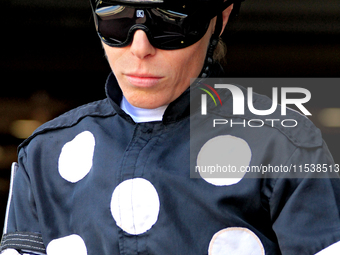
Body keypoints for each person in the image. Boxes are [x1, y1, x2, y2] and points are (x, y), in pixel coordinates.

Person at [1, 0, 340, 254]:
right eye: (116, 18)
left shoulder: (284, 143)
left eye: (170, 21)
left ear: (219, 19)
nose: (140, 48)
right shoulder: (44, 153)